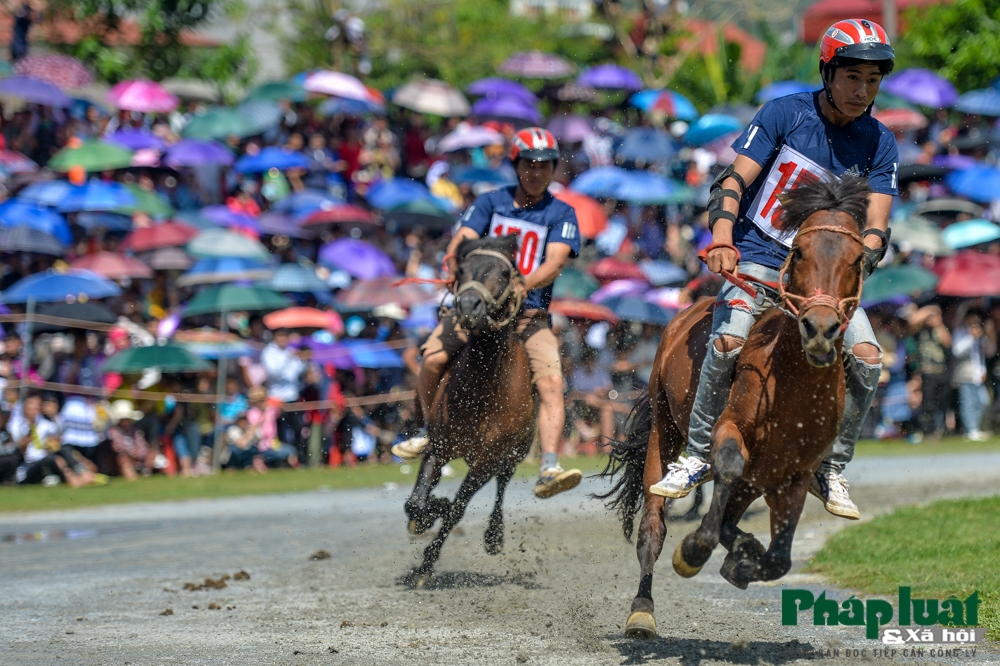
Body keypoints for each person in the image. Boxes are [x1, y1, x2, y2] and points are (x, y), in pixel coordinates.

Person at [649, 19, 899, 521]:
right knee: (728, 339)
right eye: (853, 77)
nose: (862, 91)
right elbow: (731, 181)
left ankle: (831, 467)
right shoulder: (784, 114)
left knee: (870, 359)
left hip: (819, 281)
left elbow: (878, 226)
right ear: (828, 72)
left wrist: (864, 254)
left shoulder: (880, 142)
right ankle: (697, 456)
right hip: (759, 261)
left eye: (872, 81)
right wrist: (721, 238)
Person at [392, 127, 584, 498]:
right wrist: (452, 263)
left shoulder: (562, 213)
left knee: (551, 383)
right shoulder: (490, 202)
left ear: (553, 169)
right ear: (516, 165)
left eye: (544, 166)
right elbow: (463, 238)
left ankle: (548, 466)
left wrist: (522, 285)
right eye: (529, 164)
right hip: (474, 307)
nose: (536, 172)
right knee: (432, 360)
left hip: (527, 314)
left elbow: (555, 263)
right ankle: (427, 430)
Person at [952, 310, 993, 441]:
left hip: (977, 375)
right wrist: (970, 337)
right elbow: (957, 351)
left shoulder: (980, 334)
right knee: (968, 403)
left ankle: (975, 428)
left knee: (983, 402)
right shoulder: (961, 332)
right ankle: (971, 430)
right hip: (965, 374)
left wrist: (982, 371)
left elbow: (984, 354)